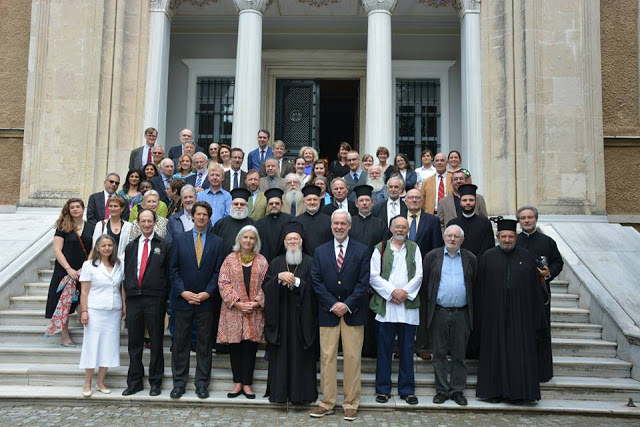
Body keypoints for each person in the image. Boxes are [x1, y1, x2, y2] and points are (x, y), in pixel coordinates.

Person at [475, 219, 545, 403]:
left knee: (518, 356)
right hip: (493, 316)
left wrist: (536, 319)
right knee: (495, 354)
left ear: (516, 238)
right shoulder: (487, 257)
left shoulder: (527, 257)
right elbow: (479, 289)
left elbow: (535, 291)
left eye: (511, 236)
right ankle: (493, 392)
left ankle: (520, 394)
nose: (507, 240)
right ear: (498, 237)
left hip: (520, 317)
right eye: (504, 236)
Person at [310, 209, 370, 422]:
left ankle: (351, 403)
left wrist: (347, 304)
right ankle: (327, 402)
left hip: (353, 312)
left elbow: (364, 282)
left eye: (343, 223)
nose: (339, 227)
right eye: (336, 223)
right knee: (327, 358)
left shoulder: (362, 251)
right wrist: (333, 304)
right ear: (331, 225)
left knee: (353, 358)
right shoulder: (320, 251)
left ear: (349, 226)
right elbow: (316, 281)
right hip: (328, 313)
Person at [169, 201, 225, 400]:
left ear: (209, 218)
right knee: (180, 343)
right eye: (198, 214)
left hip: (206, 302)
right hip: (183, 300)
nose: (201, 218)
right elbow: (173, 270)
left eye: (205, 215)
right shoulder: (179, 239)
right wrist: (183, 292)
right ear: (192, 216)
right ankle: (179, 383)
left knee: (204, 344)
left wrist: (208, 293)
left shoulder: (218, 242)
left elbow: (219, 271)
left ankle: (202, 383)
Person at [263, 221, 318, 404]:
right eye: (289, 239)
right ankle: (279, 394)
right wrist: (278, 279)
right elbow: (266, 286)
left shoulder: (310, 262)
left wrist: (297, 283)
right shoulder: (276, 262)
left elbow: (315, 289)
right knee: (281, 357)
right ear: (284, 243)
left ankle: (301, 395)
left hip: (302, 320)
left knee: (301, 358)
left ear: (301, 242)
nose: (293, 242)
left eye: (296, 239)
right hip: (281, 319)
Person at [370, 216, 423, 405]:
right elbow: (374, 276)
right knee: (384, 350)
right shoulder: (380, 248)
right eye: (397, 226)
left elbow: (419, 275)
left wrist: (404, 293)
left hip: (407, 308)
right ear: (391, 228)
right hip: (387, 307)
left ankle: (407, 390)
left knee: (407, 350)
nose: (400, 230)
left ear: (408, 229)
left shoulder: (414, 248)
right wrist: (392, 292)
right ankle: (383, 390)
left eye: (404, 227)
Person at [423, 225, 477, 406]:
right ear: (444, 237)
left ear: (462, 239)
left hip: (462, 313)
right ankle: (441, 390)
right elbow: (426, 283)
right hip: (439, 312)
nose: (452, 239)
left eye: (456, 236)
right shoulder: (432, 256)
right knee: (438, 353)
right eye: (449, 236)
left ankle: (457, 390)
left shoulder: (470, 258)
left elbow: (474, 284)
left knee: (459, 354)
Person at [122, 209, 171, 397]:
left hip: (155, 299)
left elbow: (167, 274)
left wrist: (164, 297)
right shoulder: (131, 246)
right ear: (138, 223)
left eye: (149, 221)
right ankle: (134, 382)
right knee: (134, 343)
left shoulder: (163, 245)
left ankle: (155, 382)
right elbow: (128, 271)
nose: (146, 224)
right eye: (143, 221)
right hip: (134, 298)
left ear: (154, 222)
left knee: (156, 341)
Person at [217, 226, 268, 399]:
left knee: (250, 348)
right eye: (245, 237)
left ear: (256, 241)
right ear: (239, 239)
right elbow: (223, 282)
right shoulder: (230, 259)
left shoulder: (262, 261)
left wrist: (255, 303)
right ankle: (237, 382)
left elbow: (267, 285)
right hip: (234, 312)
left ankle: (247, 384)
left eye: (252, 238)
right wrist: (237, 303)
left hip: (254, 311)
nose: (248, 240)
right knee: (235, 347)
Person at [516, 205, 564, 383]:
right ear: (519, 221)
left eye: (529, 217)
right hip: (518, 295)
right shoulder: (514, 241)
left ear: (536, 219)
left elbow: (558, 262)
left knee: (541, 332)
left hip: (540, 293)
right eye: (523, 218)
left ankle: (542, 372)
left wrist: (549, 272)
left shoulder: (547, 241)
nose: (526, 221)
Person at [78, 234, 125, 397]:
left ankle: (101, 382)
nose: (107, 248)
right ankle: (88, 382)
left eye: (110, 245)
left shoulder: (119, 264)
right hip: (95, 310)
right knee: (92, 346)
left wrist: (124, 306)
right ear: (97, 248)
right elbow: (84, 291)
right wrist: (84, 311)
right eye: (103, 245)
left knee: (109, 346)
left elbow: (122, 288)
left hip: (114, 310)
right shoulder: (89, 265)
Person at [45, 198, 94, 346]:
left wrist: (85, 267)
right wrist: (69, 269)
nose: (75, 209)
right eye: (72, 207)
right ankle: (64, 336)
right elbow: (57, 250)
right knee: (63, 303)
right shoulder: (63, 227)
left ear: (83, 208)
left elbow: (94, 247)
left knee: (83, 302)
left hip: (84, 270)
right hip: (64, 271)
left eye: (78, 206)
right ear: (68, 210)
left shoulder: (91, 226)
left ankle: (90, 333)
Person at [348, 185, 388, 358]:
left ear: (372, 203)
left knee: (372, 314)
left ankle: (372, 349)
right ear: (356, 204)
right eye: (361, 201)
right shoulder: (350, 223)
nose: (364, 204)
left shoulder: (380, 223)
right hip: (353, 275)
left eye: (367, 201)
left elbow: (384, 250)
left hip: (374, 275)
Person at [404, 188, 444, 360]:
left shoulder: (432, 221)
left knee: (422, 309)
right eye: (411, 197)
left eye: (417, 198)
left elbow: (436, 247)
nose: (414, 200)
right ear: (405, 200)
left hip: (424, 272)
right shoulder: (396, 219)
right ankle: (403, 345)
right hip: (401, 272)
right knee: (401, 308)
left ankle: (421, 345)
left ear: (422, 201)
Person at [446, 184, 494, 257]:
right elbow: (450, 247)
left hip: (480, 265)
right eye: (464, 200)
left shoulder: (485, 223)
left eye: (471, 200)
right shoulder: (452, 224)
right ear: (460, 202)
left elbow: (488, 248)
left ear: (475, 201)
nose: (468, 203)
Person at [213, 188, 259, 255]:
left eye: (242, 204)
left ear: (247, 206)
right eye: (236, 204)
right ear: (231, 205)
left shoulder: (254, 225)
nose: (239, 206)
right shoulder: (220, 224)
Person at [292, 185, 333, 255]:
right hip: (304, 261)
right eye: (309, 200)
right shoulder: (296, 222)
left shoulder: (329, 220)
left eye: (315, 199)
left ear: (319, 201)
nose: (312, 202)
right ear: (304, 202)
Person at [256, 188, 294, 263]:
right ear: (267, 205)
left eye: (277, 203)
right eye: (271, 204)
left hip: (286, 262)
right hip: (266, 262)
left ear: (282, 205)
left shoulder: (291, 220)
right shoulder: (260, 223)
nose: (274, 205)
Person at [91, 195, 133, 261]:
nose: (112, 209)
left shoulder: (129, 226)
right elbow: (96, 245)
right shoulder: (100, 225)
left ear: (122, 209)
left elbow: (131, 247)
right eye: (110, 206)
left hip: (122, 264)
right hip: (103, 263)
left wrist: (119, 261)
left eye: (115, 206)